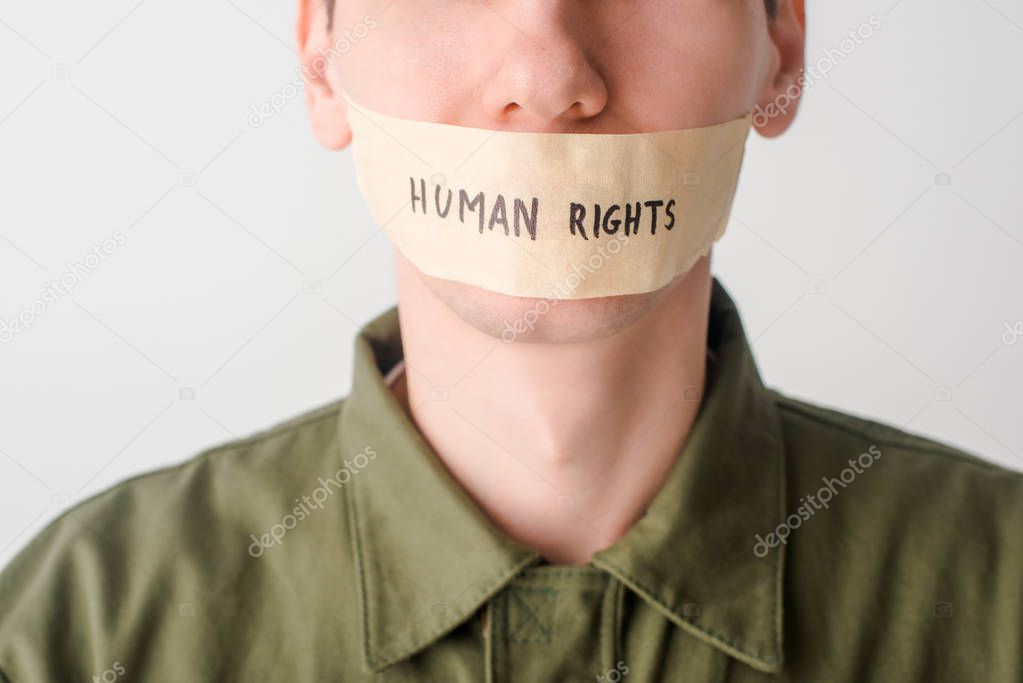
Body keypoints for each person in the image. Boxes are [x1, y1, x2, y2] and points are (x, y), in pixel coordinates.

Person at [1, 0, 1021, 681]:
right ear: (320, 59)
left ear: (781, 50)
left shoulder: (1000, 597)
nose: (548, 75)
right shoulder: (77, 632)